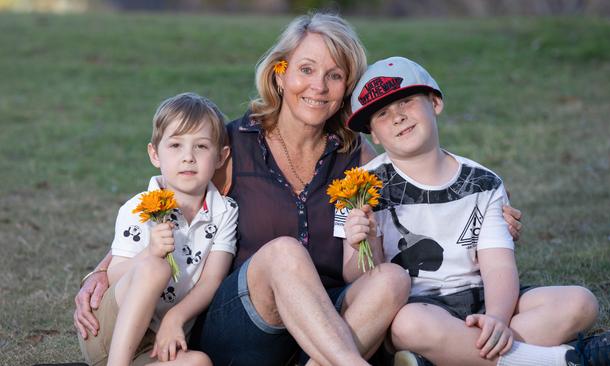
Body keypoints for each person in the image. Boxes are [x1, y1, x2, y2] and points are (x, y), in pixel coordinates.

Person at [74, 13, 523, 366]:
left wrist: (487, 214)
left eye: (334, 75)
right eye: (306, 70)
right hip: (244, 326)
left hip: (331, 319)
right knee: (285, 252)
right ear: (280, 75)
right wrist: (101, 270)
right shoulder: (234, 146)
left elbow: (422, 187)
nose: (318, 86)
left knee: (390, 279)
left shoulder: (359, 159)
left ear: (347, 86)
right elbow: (166, 205)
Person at [338, 56, 610, 366]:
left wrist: (498, 318)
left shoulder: (482, 182)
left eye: (406, 101)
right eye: (382, 113)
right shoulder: (359, 187)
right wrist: (364, 241)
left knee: (580, 303)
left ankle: (450, 357)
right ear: (374, 135)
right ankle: (563, 360)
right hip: (418, 308)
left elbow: (499, 266)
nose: (398, 117)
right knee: (409, 326)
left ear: (435, 103)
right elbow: (355, 277)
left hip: (481, 298)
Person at [78, 92, 238, 366]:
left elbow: (211, 280)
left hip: (157, 343)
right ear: (155, 153)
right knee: (156, 267)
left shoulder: (225, 212)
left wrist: (175, 318)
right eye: (175, 145)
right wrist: (149, 253)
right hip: (108, 331)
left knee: (199, 362)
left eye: (201, 146)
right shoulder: (140, 208)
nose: (188, 157)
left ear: (220, 157)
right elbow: (115, 274)